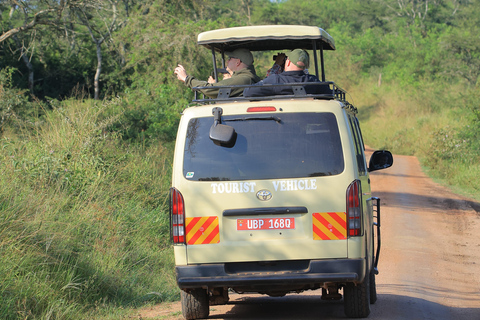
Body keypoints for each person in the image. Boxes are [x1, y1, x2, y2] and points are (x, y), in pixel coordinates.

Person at [174, 48, 260, 98]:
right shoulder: (247, 77)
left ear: (238, 62)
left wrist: (186, 79)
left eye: (230, 58)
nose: (227, 61)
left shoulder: (243, 79)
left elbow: (210, 89)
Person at [243, 49, 323, 97]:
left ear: (288, 62)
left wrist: (277, 64)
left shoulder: (275, 80)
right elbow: (330, 95)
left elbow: (248, 92)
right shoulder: (313, 81)